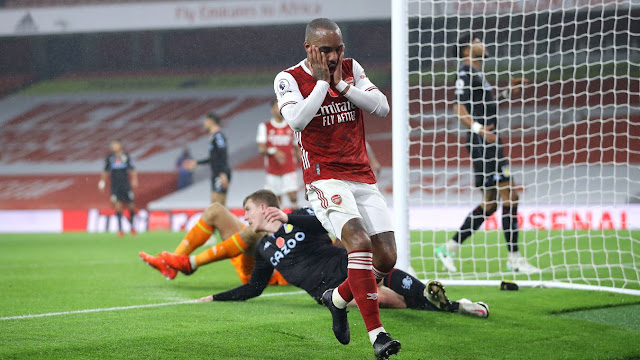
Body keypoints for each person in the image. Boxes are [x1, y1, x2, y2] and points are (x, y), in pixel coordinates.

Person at [274, 18, 397, 358]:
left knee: (387, 258)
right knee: (358, 243)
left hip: (361, 174)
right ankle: (378, 335)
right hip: (323, 176)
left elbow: (382, 108)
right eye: (325, 50)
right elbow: (297, 120)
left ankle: (338, 298)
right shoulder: (288, 78)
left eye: (338, 49)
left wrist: (341, 85)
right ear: (309, 49)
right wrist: (319, 84)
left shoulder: (350, 69)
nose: (333, 56)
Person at [196, 190, 489, 324]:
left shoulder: (297, 218)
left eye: (247, 209)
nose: (244, 216)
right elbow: (254, 287)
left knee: (382, 268)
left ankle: (449, 303)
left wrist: (288, 218)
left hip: (347, 266)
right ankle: (452, 305)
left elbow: (325, 224)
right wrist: (215, 298)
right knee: (394, 300)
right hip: (329, 292)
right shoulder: (263, 249)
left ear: (263, 207)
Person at [435, 34, 540, 274]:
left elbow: (486, 107)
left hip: (489, 140)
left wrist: (507, 93)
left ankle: (448, 248)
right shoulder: (465, 73)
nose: (483, 43)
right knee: (511, 196)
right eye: (477, 40)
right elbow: (458, 109)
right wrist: (479, 129)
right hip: (483, 142)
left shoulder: (479, 76)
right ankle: (514, 258)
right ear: (466, 51)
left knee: (491, 204)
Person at [138, 201, 288, 286]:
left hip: (268, 271)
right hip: (262, 248)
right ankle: (171, 264)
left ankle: (190, 263)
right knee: (215, 210)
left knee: (254, 231)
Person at [256, 99, 301, 208]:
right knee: (276, 199)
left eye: (281, 107)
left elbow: (297, 148)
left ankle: (297, 221)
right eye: (277, 107)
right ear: (272, 110)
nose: (280, 110)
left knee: (293, 196)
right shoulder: (265, 126)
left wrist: (303, 164)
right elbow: (261, 148)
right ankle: (280, 223)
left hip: (289, 167)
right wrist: (274, 151)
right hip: (273, 170)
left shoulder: (291, 126)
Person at [99, 139, 138, 237]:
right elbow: (105, 171)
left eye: (115, 144)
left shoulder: (126, 156)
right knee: (118, 206)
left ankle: (132, 227)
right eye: (112, 145)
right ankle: (120, 230)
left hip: (126, 185)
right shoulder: (110, 158)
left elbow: (132, 169)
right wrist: (102, 182)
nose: (113, 146)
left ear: (120, 145)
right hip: (115, 186)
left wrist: (134, 179)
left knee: (131, 205)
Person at [195, 112, 230, 205]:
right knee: (218, 206)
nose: (204, 123)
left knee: (216, 205)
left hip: (220, 173)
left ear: (211, 121)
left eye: (205, 121)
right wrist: (197, 163)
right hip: (217, 173)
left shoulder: (218, 136)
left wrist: (222, 173)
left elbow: (223, 154)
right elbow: (214, 158)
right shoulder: (213, 137)